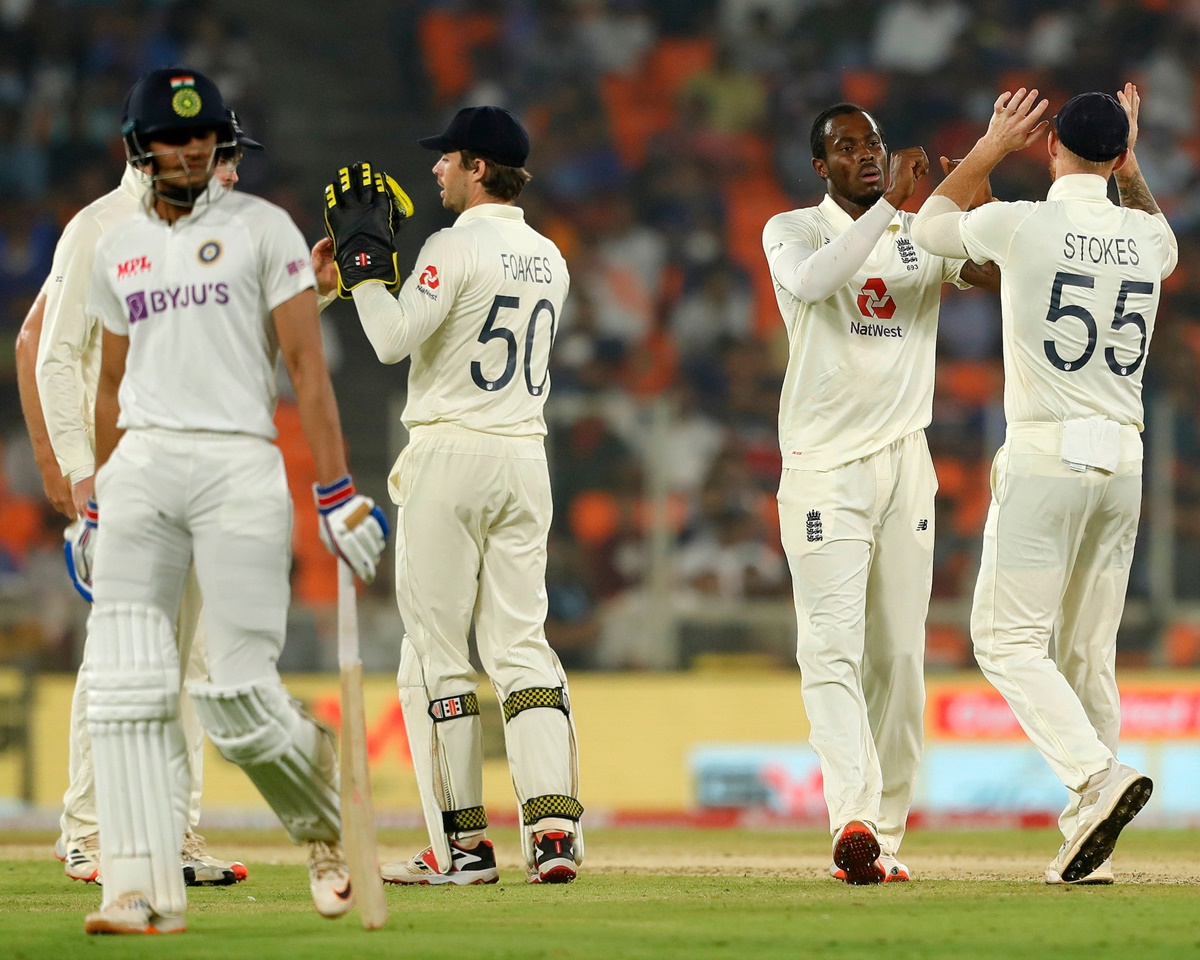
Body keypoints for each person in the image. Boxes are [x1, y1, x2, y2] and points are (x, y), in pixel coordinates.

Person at [78, 67, 388, 934]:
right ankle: (137, 890)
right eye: (172, 138)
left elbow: (306, 370)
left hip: (237, 465)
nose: (189, 150)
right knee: (126, 686)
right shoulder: (115, 248)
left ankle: (326, 825)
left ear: (224, 143)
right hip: (143, 463)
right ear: (140, 148)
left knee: (237, 695)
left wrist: (335, 493)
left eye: (203, 135)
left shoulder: (266, 230)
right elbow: (109, 383)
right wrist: (95, 505)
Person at [911, 84, 1174, 884]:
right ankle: (1086, 825)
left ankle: (1097, 779)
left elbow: (928, 229)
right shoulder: (1148, 239)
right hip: (1124, 464)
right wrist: (1129, 162)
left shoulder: (1022, 222)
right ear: (1121, 156)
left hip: (1047, 461)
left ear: (1051, 146)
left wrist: (990, 147)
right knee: (1088, 651)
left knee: (1004, 640)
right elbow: (1155, 227)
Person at [316, 105, 583, 885]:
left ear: (477, 167)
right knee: (521, 644)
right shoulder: (551, 256)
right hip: (524, 455)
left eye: (446, 158)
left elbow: (394, 339)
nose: (434, 169)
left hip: (450, 453)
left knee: (436, 656)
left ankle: (464, 848)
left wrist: (365, 262)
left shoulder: (450, 246)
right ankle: (554, 833)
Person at [15, 107, 260, 889]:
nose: (231, 173)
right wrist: (75, 473)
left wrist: (320, 291)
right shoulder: (102, 226)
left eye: (230, 157)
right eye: (220, 157)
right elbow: (47, 353)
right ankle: (89, 832)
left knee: (187, 658)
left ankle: (173, 834)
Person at [761, 102, 999, 885]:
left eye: (874, 143)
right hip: (826, 466)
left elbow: (993, 271)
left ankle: (882, 840)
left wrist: (973, 186)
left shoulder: (917, 231)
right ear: (820, 167)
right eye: (846, 147)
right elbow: (813, 282)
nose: (866, 154)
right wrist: (897, 209)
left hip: (906, 465)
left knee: (898, 657)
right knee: (829, 649)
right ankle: (851, 817)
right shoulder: (792, 230)